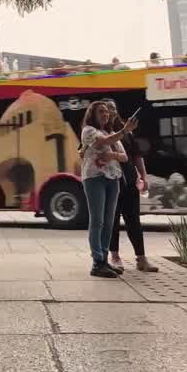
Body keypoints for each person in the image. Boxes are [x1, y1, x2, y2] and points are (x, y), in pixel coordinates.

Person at [80, 99, 135, 278]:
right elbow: (104, 141)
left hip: (113, 178)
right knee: (97, 221)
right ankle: (97, 262)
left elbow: (125, 157)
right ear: (93, 115)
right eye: (101, 112)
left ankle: (104, 259)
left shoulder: (110, 131)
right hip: (95, 178)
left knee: (109, 222)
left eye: (107, 112)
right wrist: (124, 131)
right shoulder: (88, 130)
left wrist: (110, 154)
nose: (106, 114)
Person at [105, 102, 158, 273]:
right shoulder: (99, 133)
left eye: (113, 108)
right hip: (110, 183)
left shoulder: (128, 133)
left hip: (129, 182)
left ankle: (141, 259)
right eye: (107, 109)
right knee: (112, 222)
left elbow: (136, 156)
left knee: (134, 221)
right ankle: (114, 257)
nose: (111, 112)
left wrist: (143, 176)